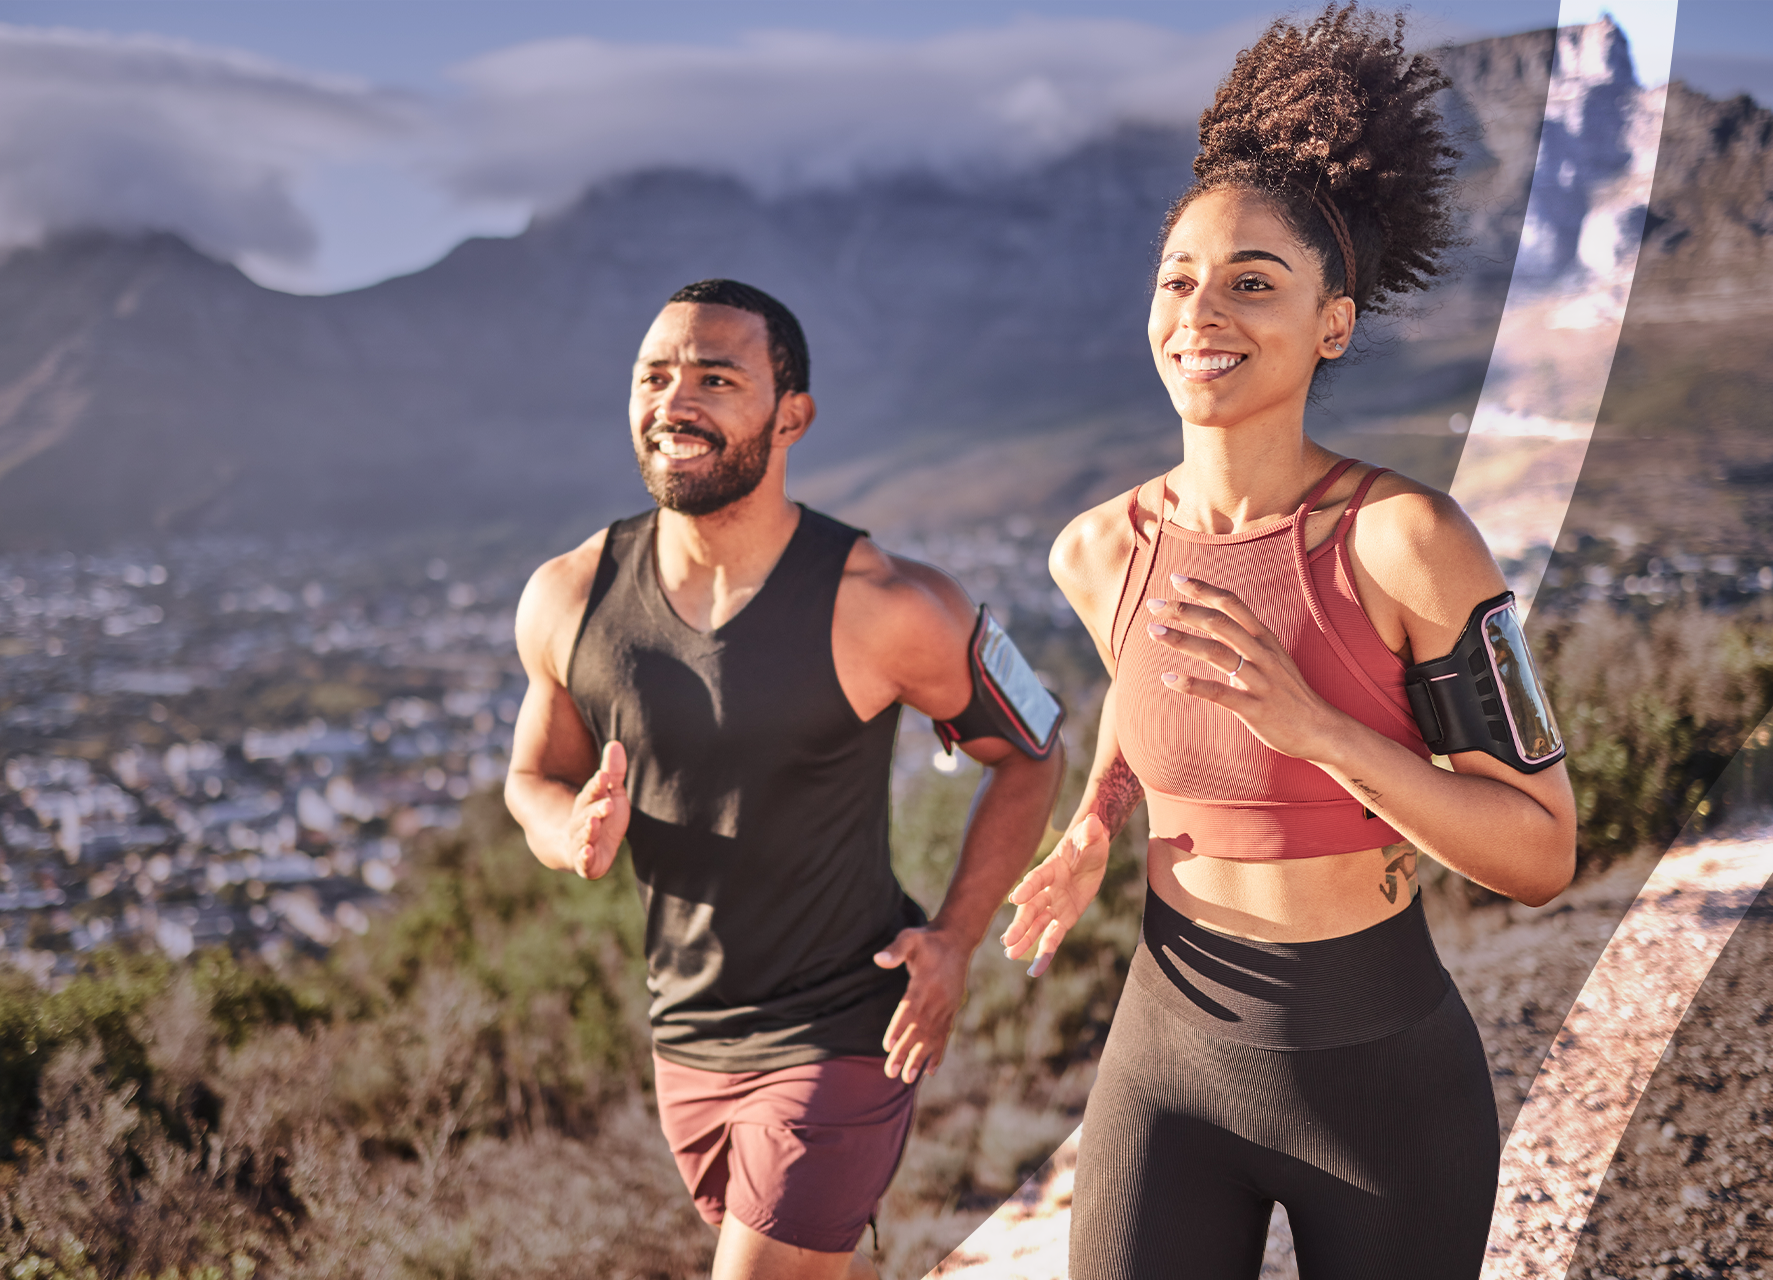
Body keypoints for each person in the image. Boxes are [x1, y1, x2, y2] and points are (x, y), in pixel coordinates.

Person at [998, 8, 1579, 1279]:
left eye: (1253, 280)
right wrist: (1097, 816)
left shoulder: (1407, 541)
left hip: (1381, 1082)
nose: (1202, 309)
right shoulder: (1101, 550)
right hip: (1169, 1054)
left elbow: (1540, 849)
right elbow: (1142, 689)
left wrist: (1316, 729)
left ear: (1333, 322)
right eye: (1180, 278)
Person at [506, 278, 1064, 1280]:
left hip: (846, 1025)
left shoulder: (887, 602)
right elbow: (532, 774)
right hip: (685, 1037)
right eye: (655, 376)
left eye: (716, 378)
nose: (675, 403)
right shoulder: (570, 594)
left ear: (791, 414)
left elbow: (1030, 750)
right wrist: (567, 830)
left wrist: (954, 940)